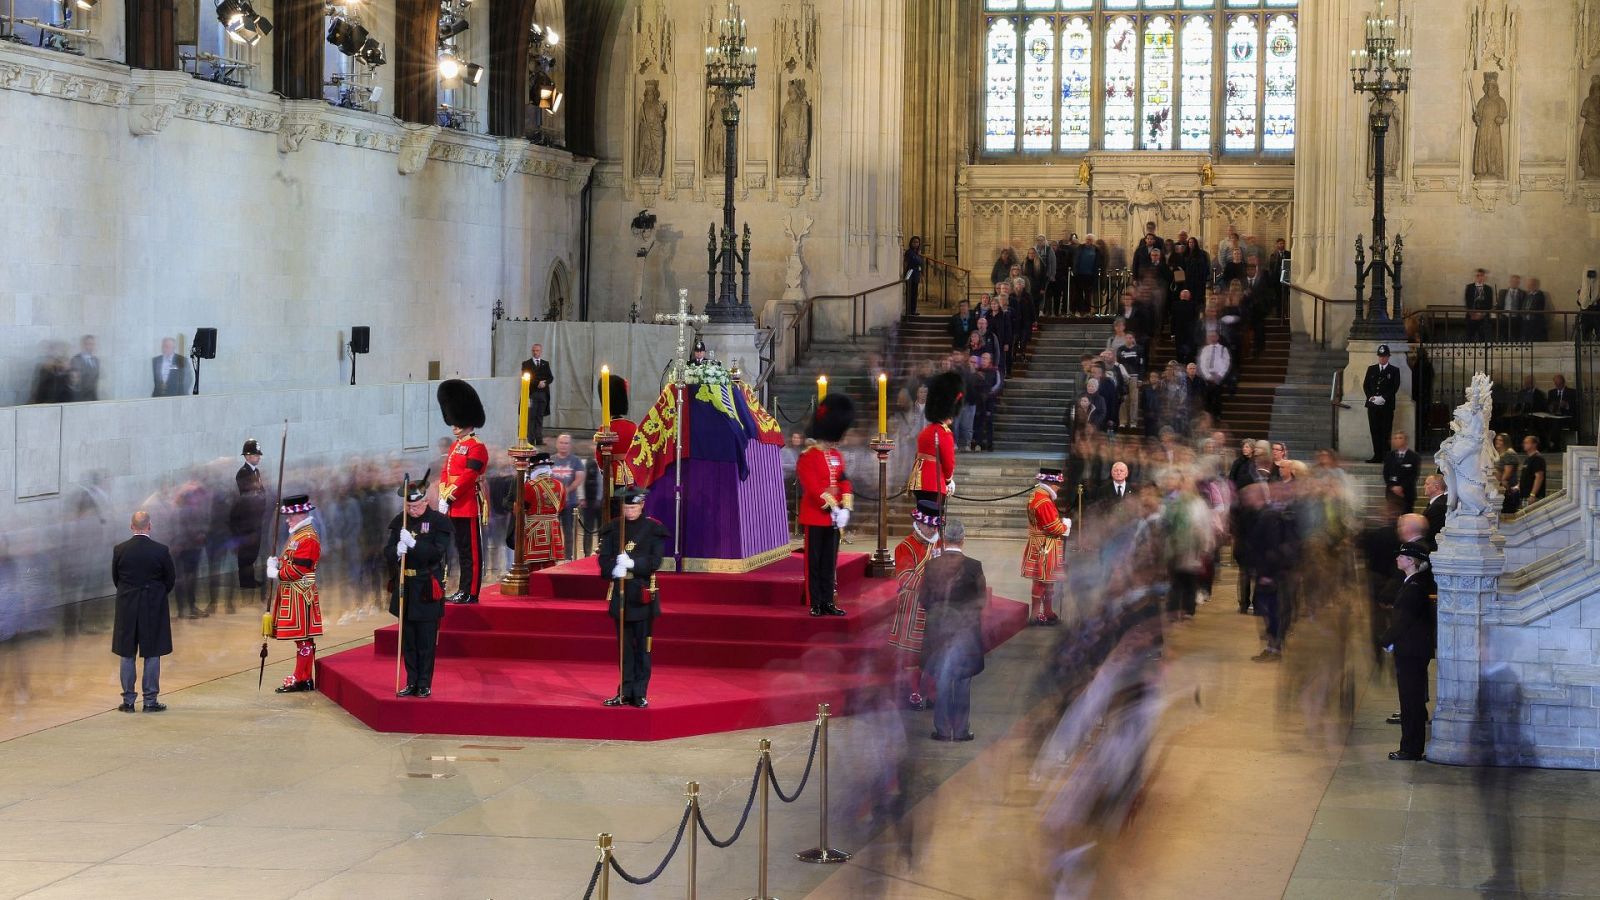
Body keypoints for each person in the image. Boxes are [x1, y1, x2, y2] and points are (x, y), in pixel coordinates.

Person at [919, 518, 987, 742]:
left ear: (944, 539)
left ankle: (942, 729)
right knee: (962, 681)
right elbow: (981, 601)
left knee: (941, 678)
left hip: (939, 633)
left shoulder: (931, 566)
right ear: (963, 540)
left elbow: (924, 600)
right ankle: (960, 730)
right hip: (965, 634)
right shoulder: (974, 566)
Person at [599, 486, 667, 707]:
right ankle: (624, 691)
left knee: (643, 648)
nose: (630, 511)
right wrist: (613, 568)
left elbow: (656, 561)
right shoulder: (612, 529)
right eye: (627, 507)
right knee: (624, 649)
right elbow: (604, 560)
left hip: (643, 595)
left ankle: (640, 692)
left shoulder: (653, 530)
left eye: (634, 507)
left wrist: (633, 564)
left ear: (642, 505)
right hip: (621, 595)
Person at [389, 474, 453, 698]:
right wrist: (397, 552)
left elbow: (437, 552)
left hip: (426, 586)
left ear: (426, 501)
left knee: (425, 640)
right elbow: (386, 553)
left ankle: (424, 682)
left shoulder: (439, 522)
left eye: (416, 506)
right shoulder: (400, 521)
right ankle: (411, 680)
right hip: (406, 585)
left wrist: (414, 544)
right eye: (408, 506)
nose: (412, 510)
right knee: (408, 640)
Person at [112, 510, 176, 712]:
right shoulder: (161, 550)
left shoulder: (120, 549)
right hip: (153, 605)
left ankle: (128, 701)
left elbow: (116, 578)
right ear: (149, 526)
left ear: (132, 526)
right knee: (153, 652)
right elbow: (170, 579)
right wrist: (156, 593)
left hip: (127, 605)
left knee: (127, 652)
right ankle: (150, 701)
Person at [799, 394, 855, 617]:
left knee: (829, 562)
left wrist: (846, 508)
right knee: (814, 562)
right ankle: (816, 602)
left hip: (834, 518)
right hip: (816, 515)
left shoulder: (837, 456)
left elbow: (844, 481)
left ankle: (828, 600)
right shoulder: (808, 456)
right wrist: (832, 505)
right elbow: (812, 487)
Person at [1382, 541, 1436, 761]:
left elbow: (1403, 620)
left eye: (1402, 556)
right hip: (1413, 651)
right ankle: (1411, 747)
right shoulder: (1414, 582)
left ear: (1411, 561)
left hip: (1411, 652)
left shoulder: (1414, 587)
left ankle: (1410, 749)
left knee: (1410, 701)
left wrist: (1385, 639)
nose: (1397, 559)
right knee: (1411, 700)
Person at [438, 380, 489, 604]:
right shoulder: (454, 445)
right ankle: (462, 589)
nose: (454, 426)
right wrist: (442, 492)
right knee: (461, 551)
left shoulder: (477, 447)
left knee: (472, 553)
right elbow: (445, 471)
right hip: (454, 506)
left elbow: (469, 476)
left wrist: (450, 495)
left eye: (457, 422)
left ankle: (471, 591)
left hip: (467, 504)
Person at [889, 498, 942, 710]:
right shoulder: (905, 547)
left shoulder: (940, 544)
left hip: (935, 607)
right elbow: (906, 579)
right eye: (928, 525)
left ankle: (931, 691)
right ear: (918, 523)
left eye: (934, 526)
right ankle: (913, 691)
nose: (931, 530)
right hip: (913, 606)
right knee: (912, 653)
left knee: (933, 652)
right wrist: (936, 579)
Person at [267, 494, 323, 693]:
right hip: (294, 593)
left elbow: (297, 570)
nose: (287, 519)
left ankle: (302, 678)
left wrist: (276, 573)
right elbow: (291, 562)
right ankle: (303, 677)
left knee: (304, 638)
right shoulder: (298, 534)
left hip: (300, 593)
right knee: (302, 639)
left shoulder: (307, 538)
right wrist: (279, 563)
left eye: (291, 515)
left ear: (302, 514)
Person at [1022, 467, 1071, 626]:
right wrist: (1065, 526)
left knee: (1048, 581)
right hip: (1046, 546)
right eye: (1057, 484)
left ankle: (1048, 612)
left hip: (1041, 544)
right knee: (1042, 581)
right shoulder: (1043, 501)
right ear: (1050, 482)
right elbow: (1053, 527)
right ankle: (1035, 615)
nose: (1059, 487)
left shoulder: (1037, 496)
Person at [907, 372, 962, 509]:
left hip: (919, 481)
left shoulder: (926, 431)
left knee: (922, 519)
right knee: (933, 523)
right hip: (934, 482)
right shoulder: (944, 433)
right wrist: (949, 480)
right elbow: (949, 463)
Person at [516, 452, 565, 570]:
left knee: (535, 565)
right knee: (551, 564)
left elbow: (520, 509)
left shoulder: (529, 486)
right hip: (553, 527)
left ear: (534, 469)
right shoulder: (560, 485)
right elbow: (561, 507)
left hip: (535, 530)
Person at [231, 439, 268, 589]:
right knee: (246, 552)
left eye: (258, 455)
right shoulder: (243, 473)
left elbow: (261, 491)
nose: (258, 457)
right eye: (254, 454)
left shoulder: (256, 472)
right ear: (247, 457)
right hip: (246, 519)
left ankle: (250, 579)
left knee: (253, 550)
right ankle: (245, 581)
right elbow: (249, 494)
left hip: (255, 519)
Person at [1363, 345, 1401, 463]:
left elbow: (1394, 387)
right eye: (1380, 356)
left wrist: (1383, 398)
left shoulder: (1394, 370)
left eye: (1384, 356)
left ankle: (1386, 456)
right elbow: (1366, 385)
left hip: (1386, 406)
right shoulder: (1371, 369)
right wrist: (1371, 397)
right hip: (1373, 405)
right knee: (1375, 430)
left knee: (1386, 431)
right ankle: (1377, 455)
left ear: (1388, 357)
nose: (1382, 359)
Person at [548, 434, 582, 559]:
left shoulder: (576, 461)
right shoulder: (551, 460)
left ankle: (568, 556)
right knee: (552, 531)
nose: (563, 445)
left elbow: (579, 479)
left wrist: (564, 491)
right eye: (561, 442)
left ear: (570, 445)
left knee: (568, 531)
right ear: (557, 444)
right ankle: (553, 555)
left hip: (569, 502)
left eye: (566, 443)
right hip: (552, 502)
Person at [521, 344, 555, 447]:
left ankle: (539, 439)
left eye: (538, 351)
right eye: (534, 351)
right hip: (532, 394)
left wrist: (545, 383)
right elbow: (526, 376)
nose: (536, 352)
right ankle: (530, 440)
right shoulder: (526, 363)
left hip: (543, 394)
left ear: (541, 351)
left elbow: (551, 377)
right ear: (532, 351)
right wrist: (538, 383)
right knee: (531, 417)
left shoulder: (545, 363)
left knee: (540, 417)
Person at [1382, 430, 1421, 511]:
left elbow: (1414, 475)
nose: (1397, 440)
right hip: (1392, 494)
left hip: (1407, 493)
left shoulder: (1414, 456)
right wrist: (1393, 487)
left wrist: (1401, 487)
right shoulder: (1389, 456)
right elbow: (1386, 473)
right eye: (1395, 438)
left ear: (1405, 440)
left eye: (1400, 438)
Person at [1197, 332, 1230, 419]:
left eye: (1214, 336)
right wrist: (1208, 376)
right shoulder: (1205, 349)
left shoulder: (1223, 349)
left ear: (1218, 337)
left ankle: (1217, 417)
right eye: (1211, 336)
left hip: (1218, 377)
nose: (1213, 338)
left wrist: (1219, 375)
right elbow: (1202, 364)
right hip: (1207, 378)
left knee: (1217, 399)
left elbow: (1226, 363)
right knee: (1207, 399)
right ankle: (1207, 418)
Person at [1463, 269, 1494, 342]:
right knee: (1469, 338)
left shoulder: (1488, 289)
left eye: (1481, 275)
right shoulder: (1469, 287)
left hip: (1484, 319)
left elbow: (1490, 305)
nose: (1480, 277)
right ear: (1475, 277)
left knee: (1483, 339)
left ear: (1484, 277)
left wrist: (1481, 315)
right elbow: (1467, 303)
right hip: (1471, 318)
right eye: (1478, 275)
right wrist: (1472, 314)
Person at [69, 334, 100, 402]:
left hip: (93, 398)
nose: (90, 347)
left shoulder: (96, 360)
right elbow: (74, 382)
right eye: (88, 344)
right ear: (83, 345)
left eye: (92, 344)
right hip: (80, 399)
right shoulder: (76, 360)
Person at [1422, 474, 1448, 542]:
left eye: (1427, 484)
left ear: (1436, 487)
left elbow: (1432, 532)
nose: (1424, 486)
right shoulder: (1438, 502)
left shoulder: (1438, 506)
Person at [904, 236, 925, 315]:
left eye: (917, 242)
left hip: (916, 274)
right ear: (911, 243)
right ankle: (909, 311)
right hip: (910, 273)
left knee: (915, 293)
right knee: (910, 293)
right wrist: (905, 275)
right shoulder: (909, 252)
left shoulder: (918, 253)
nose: (916, 244)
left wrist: (921, 274)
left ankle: (913, 310)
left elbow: (920, 264)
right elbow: (906, 263)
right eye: (914, 242)